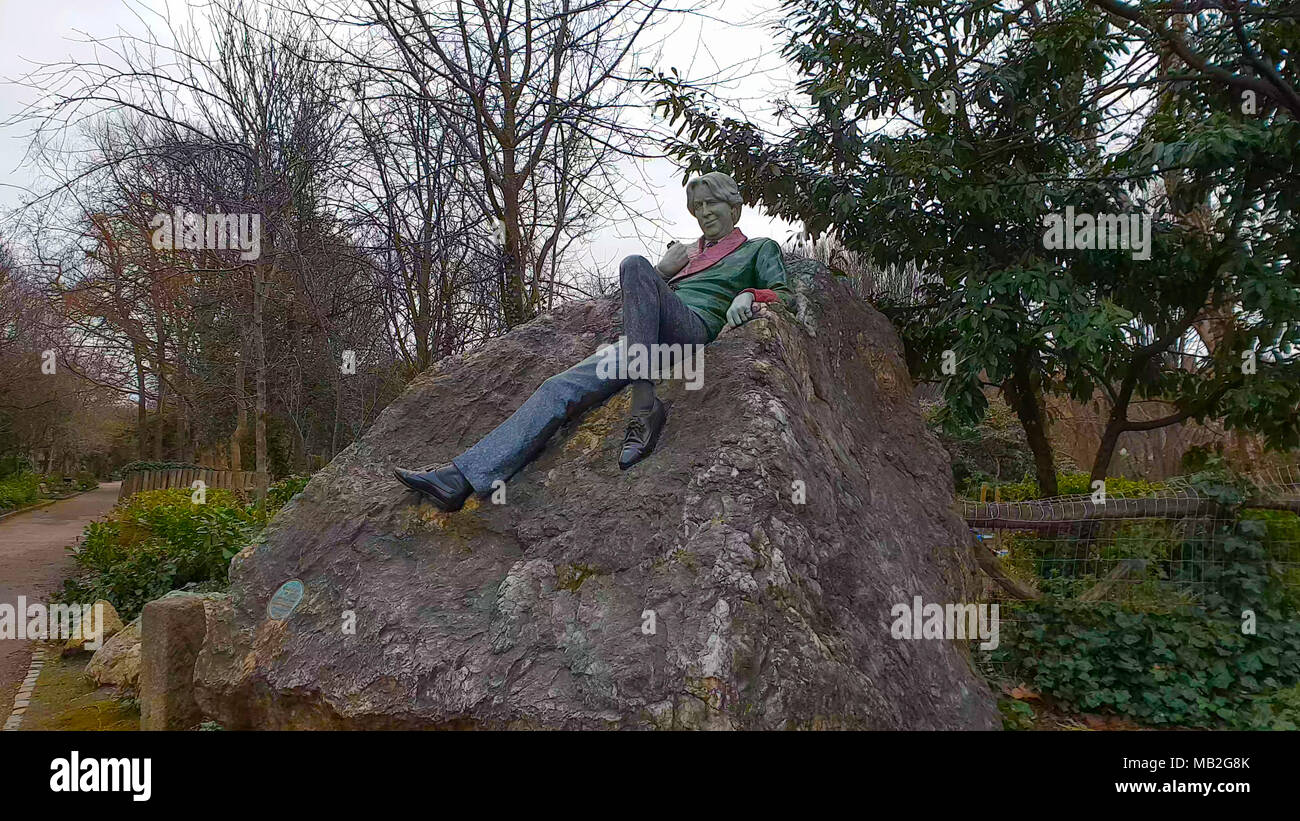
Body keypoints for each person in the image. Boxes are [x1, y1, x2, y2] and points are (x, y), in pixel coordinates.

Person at [394, 171, 792, 511]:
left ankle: (643, 407)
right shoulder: (685, 255)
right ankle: (460, 477)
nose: (704, 213)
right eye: (698, 206)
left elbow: (785, 294)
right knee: (558, 386)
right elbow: (640, 301)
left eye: (712, 204)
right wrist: (663, 271)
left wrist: (751, 295)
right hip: (646, 342)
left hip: (693, 332)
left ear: (734, 207)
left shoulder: (758, 249)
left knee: (632, 264)